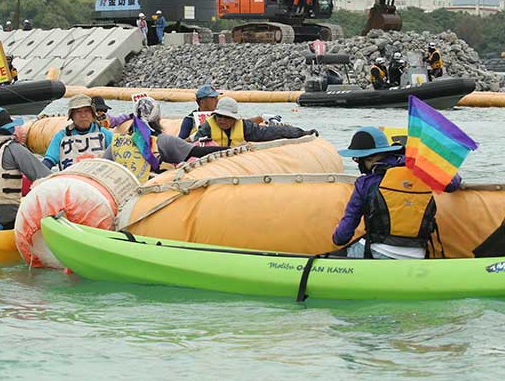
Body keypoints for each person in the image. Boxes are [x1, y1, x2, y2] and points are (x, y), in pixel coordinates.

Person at [332, 127, 461, 259]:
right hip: (419, 254)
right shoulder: (418, 170)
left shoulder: (365, 183)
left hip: (377, 253)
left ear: (367, 159)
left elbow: (342, 236)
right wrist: (429, 161)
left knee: (340, 253)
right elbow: (453, 184)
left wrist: (336, 237)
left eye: (357, 159)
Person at [104, 97, 227, 183]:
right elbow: (198, 152)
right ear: (158, 119)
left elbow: (104, 165)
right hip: (153, 192)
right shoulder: (164, 142)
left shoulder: (116, 143)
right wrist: (232, 150)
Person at [193, 96, 315, 146]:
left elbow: (273, 132)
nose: (222, 120)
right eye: (219, 116)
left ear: (234, 119)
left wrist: (302, 133)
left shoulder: (245, 127)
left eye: (227, 117)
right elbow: (193, 147)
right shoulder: (207, 128)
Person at [43, 94, 113, 171]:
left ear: (92, 114)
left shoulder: (105, 134)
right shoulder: (61, 137)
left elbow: (117, 156)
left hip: (98, 178)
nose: (83, 115)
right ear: (72, 116)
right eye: (78, 112)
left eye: (86, 111)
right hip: (70, 180)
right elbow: (48, 161)